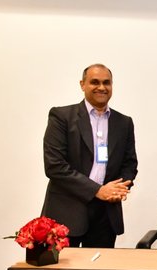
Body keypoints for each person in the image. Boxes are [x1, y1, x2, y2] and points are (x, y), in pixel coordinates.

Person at [42, 63, 138, 248]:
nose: (101, 87)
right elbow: (55, 166)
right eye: (94, 82)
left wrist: (119, 188)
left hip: (105, 216)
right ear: (82, 84)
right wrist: (97, 190)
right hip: (66, 212)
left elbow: (130, 163)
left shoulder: (124, 122)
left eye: (106, 82)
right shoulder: (61, 116)